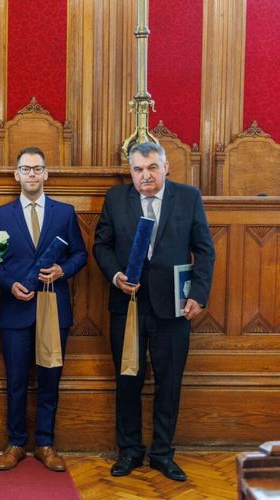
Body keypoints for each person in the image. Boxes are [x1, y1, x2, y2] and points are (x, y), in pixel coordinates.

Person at [93, 142, 215, 482]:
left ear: (165, 168)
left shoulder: (188, 197)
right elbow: (101, 245)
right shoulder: (116, 199)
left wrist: (199, 295)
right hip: (127, 306)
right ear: (130, 171)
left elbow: (204, 251)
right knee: (127, 380)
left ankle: (162, 453)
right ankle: (129, 451)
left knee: (169, 383)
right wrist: (116, 276)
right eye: (137, 169)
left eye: (151, 168)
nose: (145, 175)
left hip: (174, 308)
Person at [0, 147, 87, 472]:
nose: (32, 174)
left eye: (37, 169)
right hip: (15, 310)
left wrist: (62, 271)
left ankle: (45, 443)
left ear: (46, 174)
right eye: (26, 169)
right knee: (15, 381)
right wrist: (8, 284)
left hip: (52, 308)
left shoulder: (65, 212)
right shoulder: (1, 215)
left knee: (49, 379)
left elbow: (80, 255)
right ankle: (16, 443)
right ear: (16, 174)